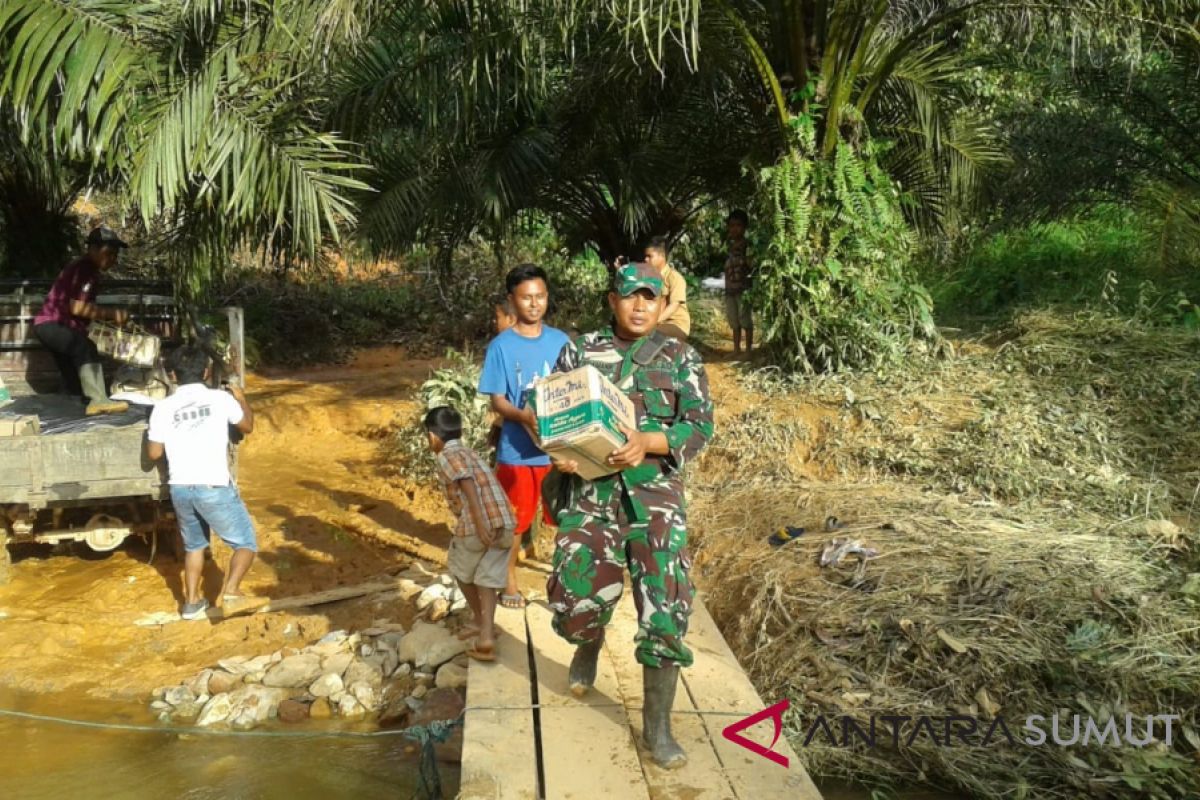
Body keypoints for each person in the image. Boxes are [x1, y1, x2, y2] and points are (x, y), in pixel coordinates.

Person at [542, 261, 714, 769]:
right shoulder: (579, 350)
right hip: (589, 492)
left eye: (649, 297)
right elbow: (553, 413)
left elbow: (700, 427)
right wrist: (560, 452)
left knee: (665, 607)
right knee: (578, 600)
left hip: (654, 498)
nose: (639, 306)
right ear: (612, 300)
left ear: (663, 305)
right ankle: (587, 642)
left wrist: (649, 441)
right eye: (629, 296)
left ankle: (656, 727)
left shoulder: (681, 356)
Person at [478, 264, 570, 609]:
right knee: (515, 522)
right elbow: (497, 400)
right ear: (511, 300)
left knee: (565, 517)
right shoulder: (501, 347)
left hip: (559, 451)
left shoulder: (561, 342)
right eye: (526, 298)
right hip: (517, 452)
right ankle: (509, 580)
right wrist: (523, 416)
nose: (534, 304)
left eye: (541, 296)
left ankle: (565, 579)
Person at [146, 346, 256, 620]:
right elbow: (247, 426)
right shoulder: (220, 399)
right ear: (206, 372)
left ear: (172, 375)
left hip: (181, 487)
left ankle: (191, 604)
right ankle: (231, 589)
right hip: (213, 485)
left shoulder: (162, 408)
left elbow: (154, 454)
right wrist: (241, 399)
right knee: (246, 544)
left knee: (194, 547)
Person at [426, 406, 516, 662]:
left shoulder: (447, 455)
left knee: (460, 568)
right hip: (505, 522)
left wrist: (479, 521)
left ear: (433, 437)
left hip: (476, 525)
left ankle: (479, 620)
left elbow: (467, 484)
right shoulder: (470, 452)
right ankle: (486, 636)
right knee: (487, 577)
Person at [33, 226, 133, 415]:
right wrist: (113, 314)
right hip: (54, 324)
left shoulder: (86, 270)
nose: (113, 259)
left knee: (72, 369)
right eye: (109, 253)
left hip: (48, 326)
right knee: (85, 348)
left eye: (115, 255)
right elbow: (77, 307)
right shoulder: (85, 269)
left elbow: (82, 311)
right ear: (92, 249)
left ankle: (71, 403)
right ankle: (98, 400)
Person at [485, 296, 517, 457]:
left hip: (512, 431)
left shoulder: (501, 349)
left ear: (511, 318)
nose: (494, 322)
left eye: (497, 317)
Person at [643, 236, 691, 341]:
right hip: (657, 324)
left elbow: (674, 305)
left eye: (649, 256)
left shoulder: (674, 277)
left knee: (646, 332)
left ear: (662, 256)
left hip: (676, 325)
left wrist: (653, 322)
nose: (645, 260)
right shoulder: (648, 278)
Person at [723, 209, 754, 356]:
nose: (735, 229)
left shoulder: (748, 246)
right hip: (730, 290)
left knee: (745, 320)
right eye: (732, 225)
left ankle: (748, 350)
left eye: (738, 225)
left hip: (743, 289)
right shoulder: (728, 247)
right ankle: (736, 349)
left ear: (744, 227)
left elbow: (751, 265)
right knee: (734, 321)